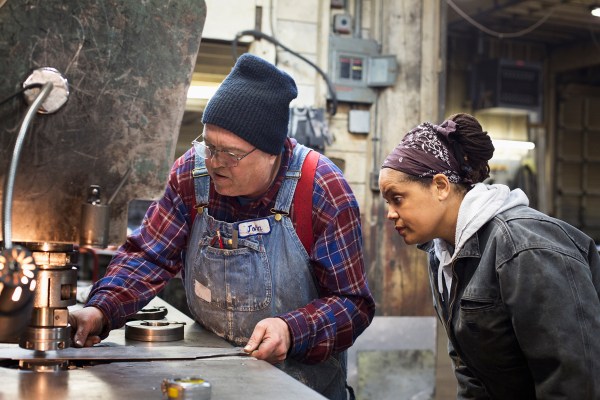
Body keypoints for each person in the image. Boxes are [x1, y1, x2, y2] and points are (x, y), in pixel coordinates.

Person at [69, 53, 375, 399]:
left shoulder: (320, 189)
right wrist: (101, 308)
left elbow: (353, 303)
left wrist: (292, 331)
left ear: (272, 152)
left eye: (230, 154)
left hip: (301, 386)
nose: (214, 163)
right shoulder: (192, 174)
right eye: (208, 145)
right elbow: (149, 254)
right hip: (216, 378)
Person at [378, 113, 600, 399]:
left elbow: (574, 380)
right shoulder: (442, 253)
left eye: (397, 198)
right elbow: (471, 368)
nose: (389, 213)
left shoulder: (525, 249)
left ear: (441, 186)